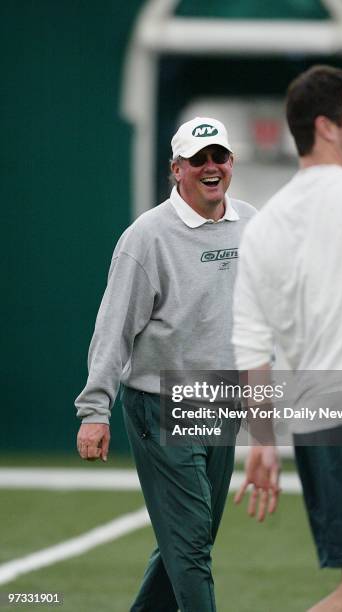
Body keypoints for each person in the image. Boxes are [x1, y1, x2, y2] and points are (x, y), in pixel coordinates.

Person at [232, 65, 342, 611]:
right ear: (327, 127)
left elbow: (250, 344)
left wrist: (262, 440)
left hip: (327, 423)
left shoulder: (263, 227)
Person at [75, 116, 255, 612]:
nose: (210, 167)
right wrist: (95, 410)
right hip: (159, 403)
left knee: (187, 543)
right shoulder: (147, 237)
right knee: (192, 546)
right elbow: (113, 328)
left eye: (218, 156)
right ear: (176, 169)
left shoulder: (253, 224)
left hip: (221, 401)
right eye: (197, 160)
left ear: (231, 163)